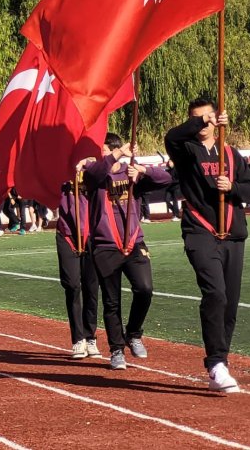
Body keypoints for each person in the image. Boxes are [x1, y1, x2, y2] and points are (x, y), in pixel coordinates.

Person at [164, 99, 250, 392]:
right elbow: (171, 136)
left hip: (233, 234)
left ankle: (222, 360)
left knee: (228, 302)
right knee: (214, 293)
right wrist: (201, 122)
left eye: (208, 117)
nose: (203, 123)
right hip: (200, 232)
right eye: (197, 118)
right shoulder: (185, 150)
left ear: (218, 120)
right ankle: (215, 362)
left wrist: (233, 188)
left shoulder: (230, 152)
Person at [80, 134, 170, 370]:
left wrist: (142, 170)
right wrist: (118, 154)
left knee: (145, 289)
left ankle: (134, 333)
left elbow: (165, 179)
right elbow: (95, 173)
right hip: (106, 245)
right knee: (111, 302)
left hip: (133, 242)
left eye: (105, 150)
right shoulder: (95, 171)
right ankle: (116, 350)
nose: (103, 154)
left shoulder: (131, 172)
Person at [55, 179, 100, 359]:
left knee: (92, 288)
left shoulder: (94, 171)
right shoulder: (61, 171)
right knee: (72, 285)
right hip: (67, 234)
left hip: (93, 235)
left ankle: (90, 337)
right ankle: (78, 339)